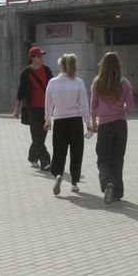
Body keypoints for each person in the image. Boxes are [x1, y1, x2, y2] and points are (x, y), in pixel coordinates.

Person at [89, 51, 135, 204]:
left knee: (102, 158)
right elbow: (131, 107)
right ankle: (117, 192)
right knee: (117, 158)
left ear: (102, 65)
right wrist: (121, 109)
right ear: (118, 66)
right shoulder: (125, 83)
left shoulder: (97, 82)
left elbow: (93, 104)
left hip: (105, 125)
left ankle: (107, 181)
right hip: (120, 124)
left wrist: (93, 121)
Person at [44, 53, 91, 195]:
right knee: (76, 152)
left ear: (60, 66)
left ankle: (58, 174)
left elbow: (48, 103)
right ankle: (74, 182)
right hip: (75, 121)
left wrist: (47, 120)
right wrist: (88, 122)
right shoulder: (78, 82)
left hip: (59, 121)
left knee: (59, 151)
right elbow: (84, 104)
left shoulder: (52, 82)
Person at [13, 47, 53, 171]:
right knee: (36, 135)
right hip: (33, 108)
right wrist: (17, 109)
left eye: (42, 55)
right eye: (39, 55)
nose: (41, 57)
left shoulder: (47, 70)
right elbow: (20, 92)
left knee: (42, 135)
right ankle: (45, 161)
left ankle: (32, 157)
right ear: (33, 58)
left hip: (46, 108)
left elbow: (52, 88)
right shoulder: (26, 73)